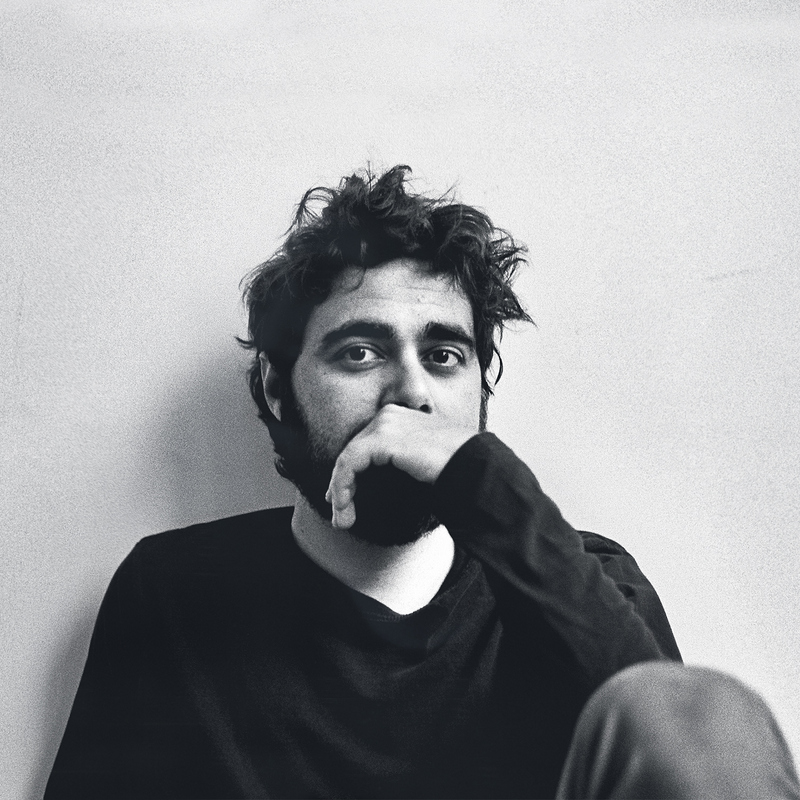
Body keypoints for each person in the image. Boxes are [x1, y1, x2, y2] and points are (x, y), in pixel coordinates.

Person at [45, 166, 799, 799]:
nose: (411, 392)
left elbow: (683, 767)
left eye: (444, 357)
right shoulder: (178, 594)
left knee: (701, 714)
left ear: (480, 388)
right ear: (277, 389)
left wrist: (485, 484)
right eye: (360, 353)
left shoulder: (586, 584)